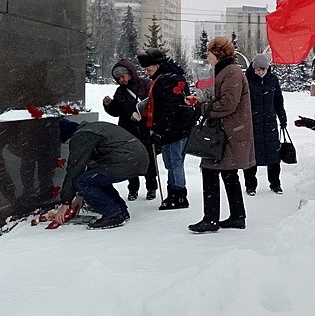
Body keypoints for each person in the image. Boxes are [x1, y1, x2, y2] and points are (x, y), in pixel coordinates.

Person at [188, 37, 254, 233]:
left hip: (228, 134)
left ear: (219, 53)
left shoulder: (231, 72)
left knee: (210, 171)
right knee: (228, 173)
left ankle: (211, 219)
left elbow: (227, 104)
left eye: (210, 53)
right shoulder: (226, 71)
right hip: (226, 132)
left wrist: (202, 107)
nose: (207, 56)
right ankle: (237, 216)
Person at [55, 119, 149, 230]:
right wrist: (80, 196)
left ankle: (113, 214)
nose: (70, 146)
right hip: (136, 158)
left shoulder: (81, 136)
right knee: (96, 179)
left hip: (125, 160)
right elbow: (93, 169)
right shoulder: (92, 129)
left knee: (81, 181)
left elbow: (75, 169)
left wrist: (66, 202)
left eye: (68, 143)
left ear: (71, 136)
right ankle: (121, 211)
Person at [137, 48, 194, 210]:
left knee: (174, 162)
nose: (147, 73)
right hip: (178, 127)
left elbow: (167, 109)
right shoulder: (172, 76)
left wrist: (157, 129)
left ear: (158, 65)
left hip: (173, 129)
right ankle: (175, 194)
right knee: (174, 161)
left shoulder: (166, 80)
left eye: (149, 69)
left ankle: (178, 195)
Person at [102, 59, 158, 201]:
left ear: (130, 73)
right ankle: (133, 188)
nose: (121, 80)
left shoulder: (146, 84)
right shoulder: (120, 91)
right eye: (118, 78)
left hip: (145, 128)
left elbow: (155, 103)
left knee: (149, 158)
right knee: (130, 159)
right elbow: (116, 111)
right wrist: (108, 105)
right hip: (127, 130)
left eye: (122, 76)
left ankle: (151, 187)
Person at [244, 53, 287, 196]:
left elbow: (278, 100)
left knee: (273, 157)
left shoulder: (273, 80)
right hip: (252, 123)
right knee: (251, 157)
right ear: (253, 68)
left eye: (263, 69)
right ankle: (250, 185)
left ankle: (275, 184)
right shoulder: (247, 80)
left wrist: (282, 118)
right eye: (258, 69)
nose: (261, 72)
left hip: (269, 124)